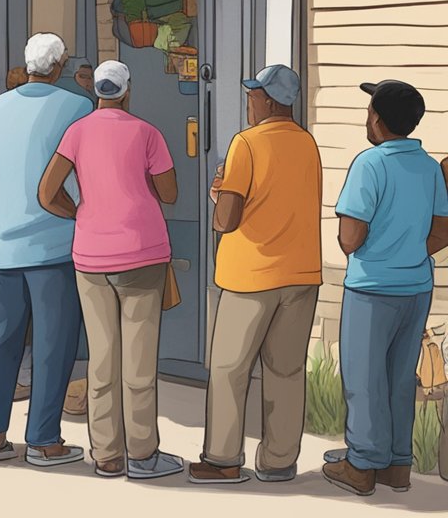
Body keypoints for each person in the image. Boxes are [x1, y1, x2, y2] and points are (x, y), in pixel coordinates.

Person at [39, 60, 181, 479]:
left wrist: (80, 213)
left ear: (98, 92)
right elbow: (170, 193)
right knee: (138, 362)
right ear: (127, 90)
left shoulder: (77, 132)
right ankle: (142, 455)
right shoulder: (147, 132)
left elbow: (47, 192)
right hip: (143, 254)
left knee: (102, 359)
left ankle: (106, 454)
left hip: (92, 256)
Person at [185, 65, 321, 485]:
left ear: (269, 101)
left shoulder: (246, 144)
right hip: (301, 272)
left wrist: (215, 195)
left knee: (229, 367)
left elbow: (227, 219)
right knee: (286, 370)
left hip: (251, 273)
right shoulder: (308, 144)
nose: (250, 102)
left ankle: (224, 458)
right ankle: (279, 459)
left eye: (253, 95)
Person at [0, 34, 90, 467]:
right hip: (55, 243)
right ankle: (42, 439)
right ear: (58, 66)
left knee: (2, 340)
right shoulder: (77, 107)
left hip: (4, 245)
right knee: (53, 343)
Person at [323, 80, 448, 496]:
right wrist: (410, 250)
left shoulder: (369, 164)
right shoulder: (429, 166)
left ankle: (361, 465)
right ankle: (397, 465)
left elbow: (350, 238)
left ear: (376, 118)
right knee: (399, 378)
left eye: (369, 109)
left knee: (364, 378)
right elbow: (442, 229)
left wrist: (379, 250)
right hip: (416, 285)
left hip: (372, 287)